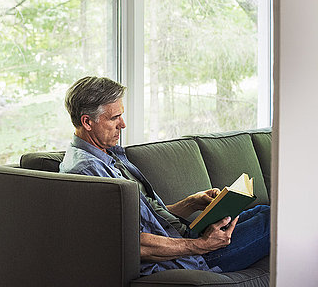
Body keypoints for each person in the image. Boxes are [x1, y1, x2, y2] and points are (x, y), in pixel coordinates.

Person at [59, 76, 270, 275]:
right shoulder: (86, 171)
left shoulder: (108, 154)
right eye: (115, 117)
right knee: (277, 220)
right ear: (87, 122)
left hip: (184, 239)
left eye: (121, 115)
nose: (122, 124)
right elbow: (130, 241)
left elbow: (144, 219)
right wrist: (201, 245)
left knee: (263, 209)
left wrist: (191, 203)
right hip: (187, 257)